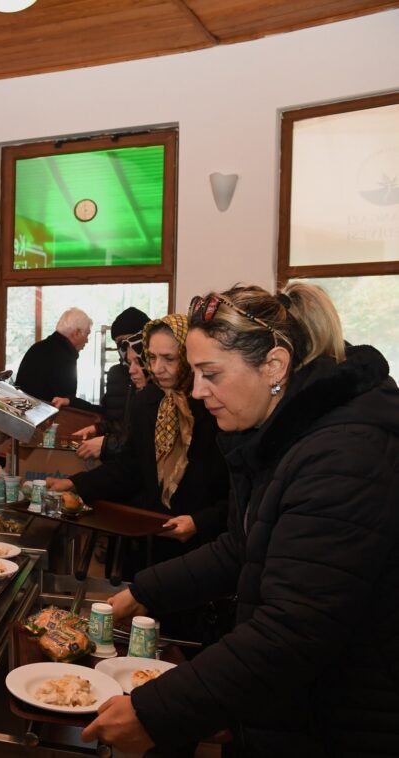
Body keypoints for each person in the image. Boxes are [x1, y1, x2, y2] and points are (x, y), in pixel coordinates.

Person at [83, 284, 399, 756]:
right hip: (287, 708)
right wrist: (141, 592)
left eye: (211, 374)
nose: (196, 390)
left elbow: (293, 630)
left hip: (343, 715)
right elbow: (243, 546)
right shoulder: (277, 434)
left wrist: (158, 712)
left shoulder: (345, 453)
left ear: (274, 366)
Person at [47, 314, 229, 579]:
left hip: (204, 546)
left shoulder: (213, 405)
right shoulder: (147, 402)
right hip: (152, 537)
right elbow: (131, 467)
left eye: (170, 359)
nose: (157, 369)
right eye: (152, 358)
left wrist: (201, 522)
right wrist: (76, 484)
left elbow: (234, 489)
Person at [75, 307, 150, 461]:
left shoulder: (158, 388)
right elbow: (120, 420)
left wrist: (106, 444)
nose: (121, 349)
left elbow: (143, 439)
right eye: (119, 344)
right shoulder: (118, 373)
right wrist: (99, 429)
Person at [14, 307, 97, 409]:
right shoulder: (63, 357)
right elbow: (64, 402)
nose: (87, 340)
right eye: (87, 334)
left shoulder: (38, 347)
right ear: (76, 333)